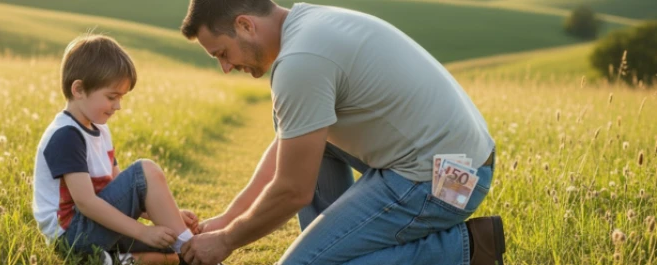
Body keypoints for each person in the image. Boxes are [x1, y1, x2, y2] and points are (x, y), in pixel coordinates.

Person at [178, 1, 505, 264]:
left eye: (222, 53)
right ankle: (329, 246)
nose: (225, 67)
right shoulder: (309, 24)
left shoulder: (300, 62)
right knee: (290, 125)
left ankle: (467, 249)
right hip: (451, 166)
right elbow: (288, 154)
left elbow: (293, 190)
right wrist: (226, 220)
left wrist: (226, 241)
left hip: (444, 183)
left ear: (245, 25)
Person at [31, 34, 198, 265]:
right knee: (146, 171)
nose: (118, 106)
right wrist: (142, 231)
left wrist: (168, 215)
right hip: (72, 236)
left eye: (121, 98)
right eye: (112, 97)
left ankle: (110, 261)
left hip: (97, 228)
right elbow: (87, 203)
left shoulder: (100, 129)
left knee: (168, 255)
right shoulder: (66, 135)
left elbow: (126, 196)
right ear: (78, 89)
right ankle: (195, 253)